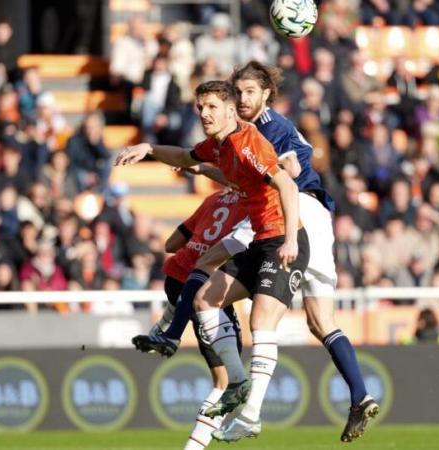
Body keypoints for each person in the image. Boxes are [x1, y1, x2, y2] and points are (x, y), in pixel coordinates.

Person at [132, 61, 378, 443]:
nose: (242, 99)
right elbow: (218, 167)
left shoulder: (266, 130)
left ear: (265, 94)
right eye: (238, 92)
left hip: (294, 213)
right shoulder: (230, 138)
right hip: (299, 216)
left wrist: (290, 225)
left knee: (211, 262)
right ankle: (360, 394)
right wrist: (162, 154)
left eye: (249, 92)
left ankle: (176, 334)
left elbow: (288, 174)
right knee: (320, 320)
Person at [116, 80, 308, 442]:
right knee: (205, 296)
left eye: (211, 108)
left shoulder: (248, 144)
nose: (204, 113)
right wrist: (149, 148)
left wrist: (293, 240)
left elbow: (287, 185)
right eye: (200, 107)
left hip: (281, 239)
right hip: (258, 239)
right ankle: (236, 381)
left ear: (231, 111)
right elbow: (186, 157)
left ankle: (250, 412)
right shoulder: (219, 146)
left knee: (260, 321)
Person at [136, 189, 249, 450]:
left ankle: (167, 322)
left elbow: (171, 244)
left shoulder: (212, 199)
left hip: (176, 277)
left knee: (185, 300)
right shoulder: (253, 204)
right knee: (225, 383)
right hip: (206, 288)